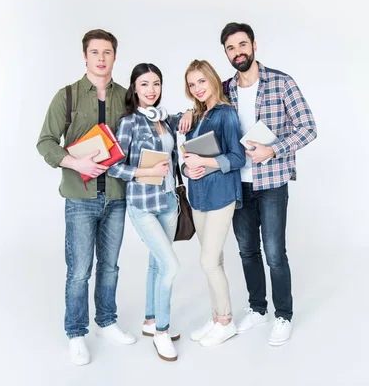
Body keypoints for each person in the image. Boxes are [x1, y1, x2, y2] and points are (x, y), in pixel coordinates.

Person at [180, 22, 318, 346]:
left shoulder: (281, 83)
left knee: (274, 253)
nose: (237, 51)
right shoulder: (225, 88)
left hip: (271, 182)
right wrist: (189, 109)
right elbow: (204, 106)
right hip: (235, 185)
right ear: (226, 53)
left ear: (254, 46)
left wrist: (274, 149)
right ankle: (258, 309)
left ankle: (283, 314)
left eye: (242, 45)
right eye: (230, 48)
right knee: (247, 251)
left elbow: (308, 127)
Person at [36, 29, 136, 366]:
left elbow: (141, 135)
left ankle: (106, 322)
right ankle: (76, 332)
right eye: (95, 52)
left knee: (110, 267)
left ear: (114, 56)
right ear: (85, 56)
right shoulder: (66, 96)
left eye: (107, 52)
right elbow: (46, 142)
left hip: (117, 196)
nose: (101, 58)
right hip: (80, 197)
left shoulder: (126, 97)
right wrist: (75, 161)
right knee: (79, 270)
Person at [108, 63, 190, 362]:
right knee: (170, 266)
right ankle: (162, 332)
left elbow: (187, 120)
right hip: (143, 205)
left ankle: (150, 320)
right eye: (144, 84)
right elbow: (113, 166)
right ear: (134, 88)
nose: (151, 90)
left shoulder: (165, 120)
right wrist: (145, 170)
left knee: (157, 265)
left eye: (156, 83)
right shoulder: (129, 122)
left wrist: (191, 113)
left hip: (168, 201)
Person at [181, 59, 246, 347]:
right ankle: (216, 316)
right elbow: (186, 159)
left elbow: (237, 158)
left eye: (201, 81)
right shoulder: (196, 116)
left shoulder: (226, 114)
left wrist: (204, 162)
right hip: (198, 196)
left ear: (213, 80)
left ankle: (226, 321)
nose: (197, 88)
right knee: (213, 261)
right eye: (192, 84)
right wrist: (187, 169)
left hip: (221, 196)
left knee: (208, 261)